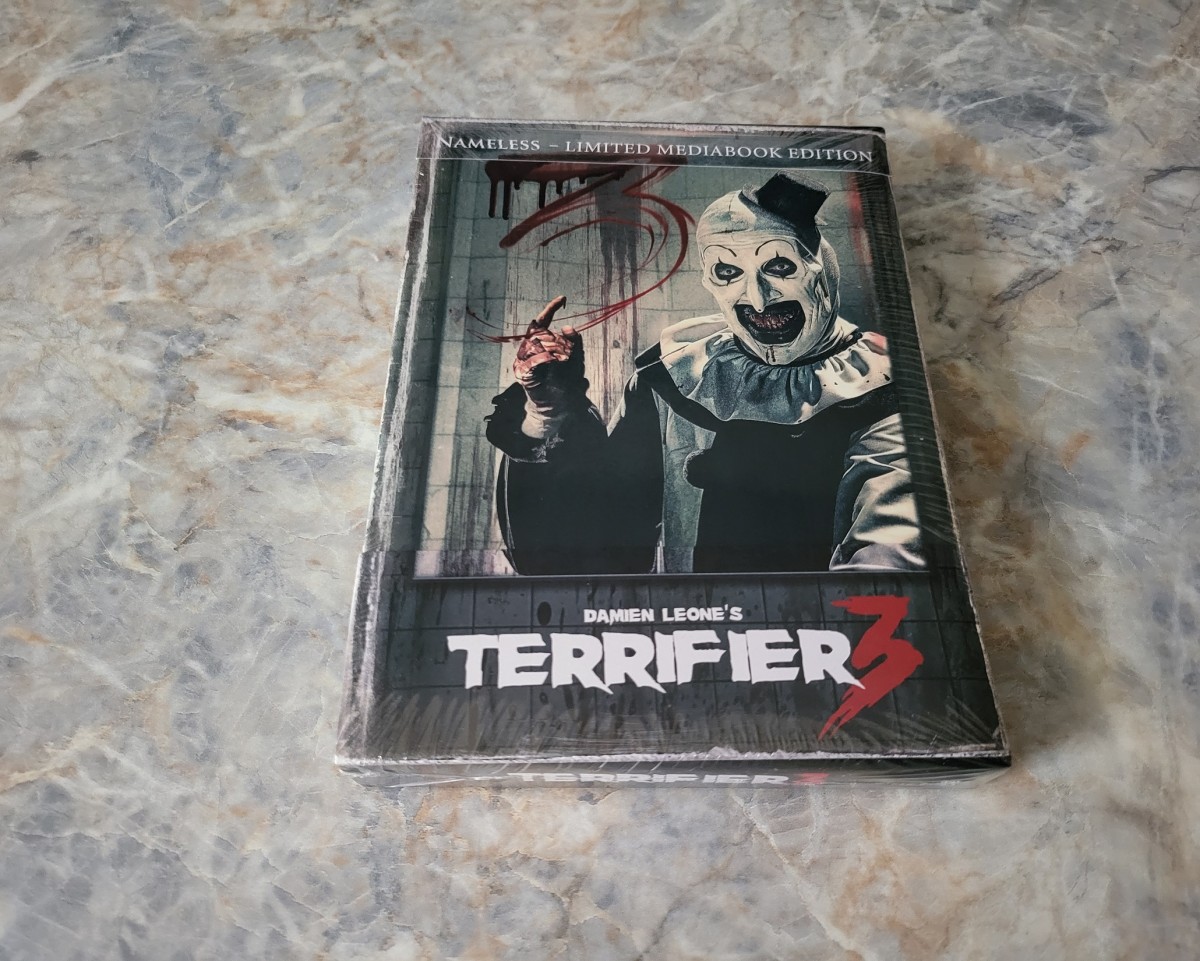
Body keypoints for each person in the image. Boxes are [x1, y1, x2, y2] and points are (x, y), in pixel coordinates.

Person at [484, 173, 924, 575]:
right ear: (711, 282)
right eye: (729, 272)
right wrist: (549, 410)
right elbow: (598, 542)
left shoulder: (884, 386)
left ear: (820, 271)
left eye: (779, 267)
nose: (758, 299)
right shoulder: (675, 376)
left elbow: (890, 557)